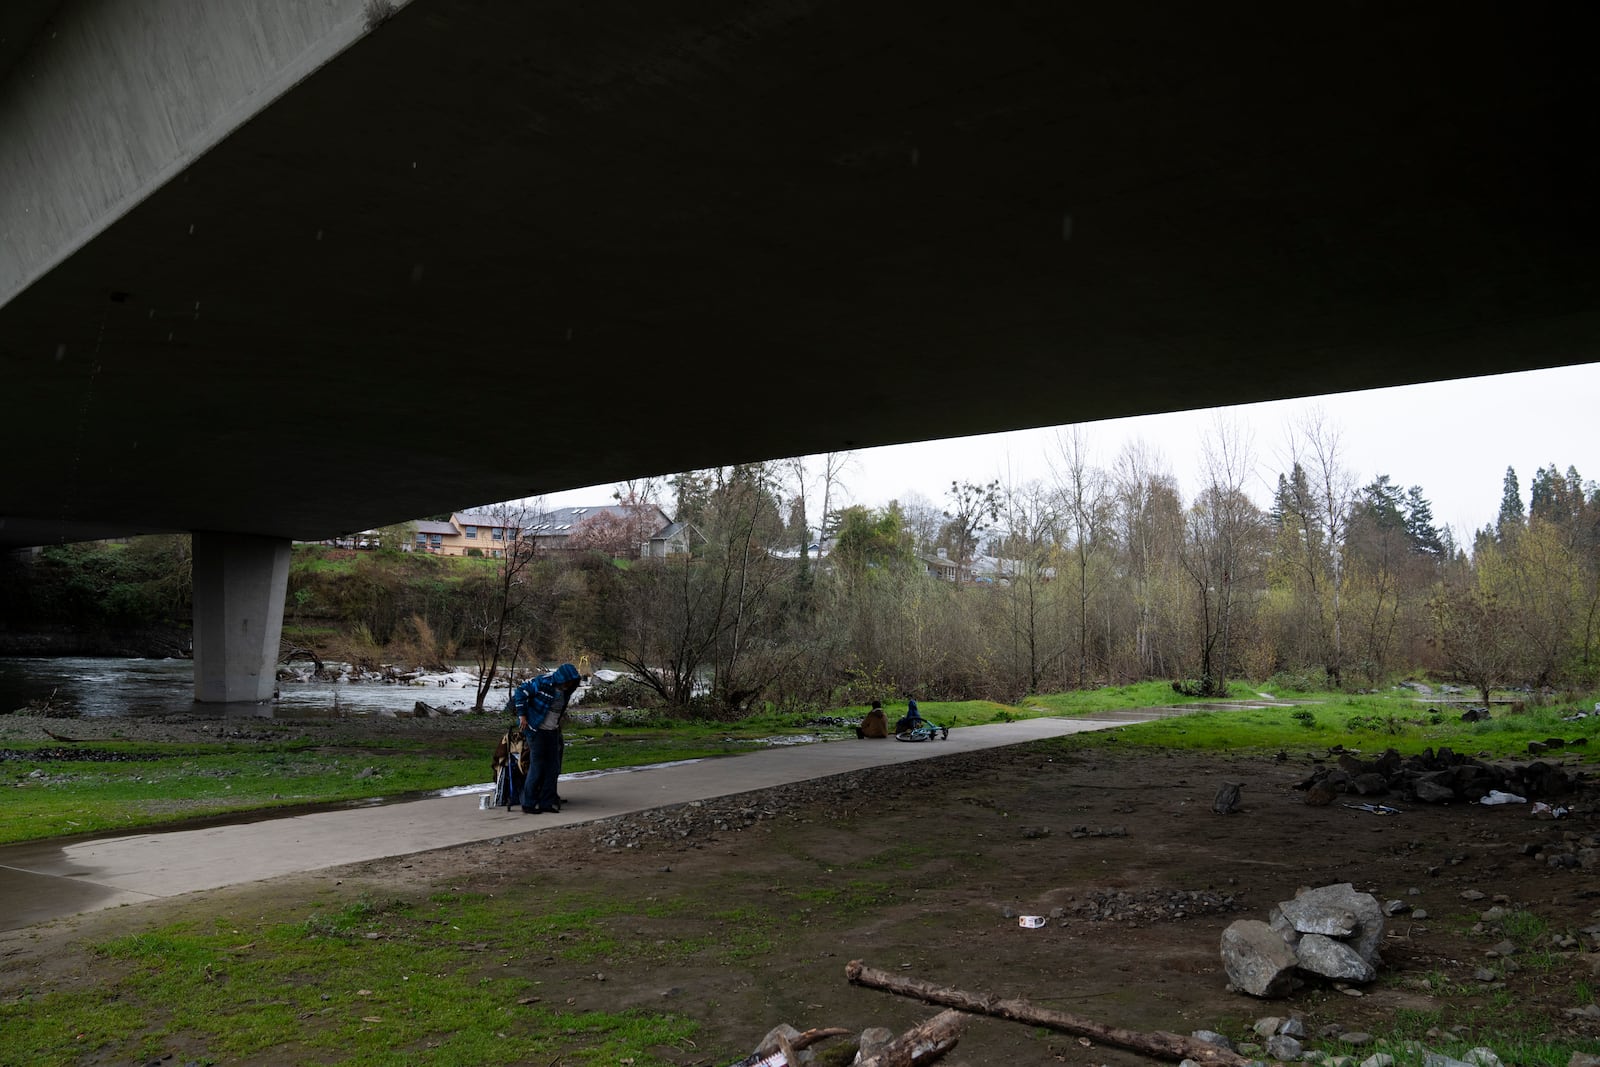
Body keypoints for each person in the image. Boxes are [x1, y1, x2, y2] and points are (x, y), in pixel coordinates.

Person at [513, 663, 582, 813]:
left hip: (552, 730)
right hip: (535, 729)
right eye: (567, 681)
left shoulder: (566, 690)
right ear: (561, 678)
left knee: (553, 767)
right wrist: (522, 715)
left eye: (571, 682)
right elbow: (520, 692)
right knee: (537, 765)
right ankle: (528, 803)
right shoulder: (542, 682)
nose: (569, 684)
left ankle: (546, 802)